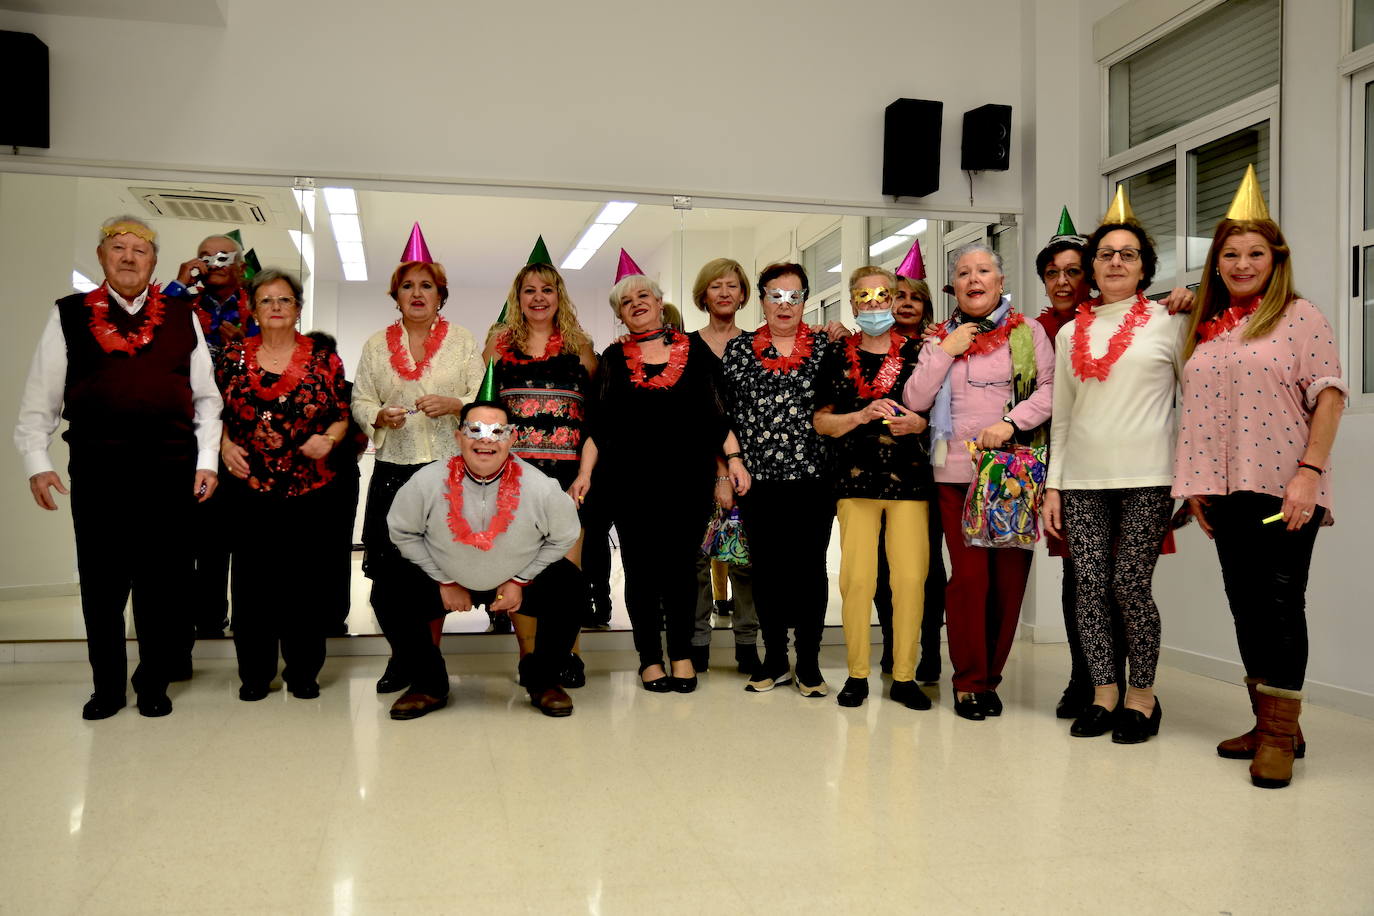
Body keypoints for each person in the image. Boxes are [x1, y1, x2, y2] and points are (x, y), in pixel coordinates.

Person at [1174, 167, 1346, 788]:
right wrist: (1195, 484)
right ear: (1216, 264)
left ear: (1276, 260)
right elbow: (1199, 409)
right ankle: (1272, 720)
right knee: (1245, 607)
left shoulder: (1299, 317)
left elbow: (1329, 397)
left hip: (1284, 487)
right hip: (1223, 491)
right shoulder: (1211, 330)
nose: (1243, 263)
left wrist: (1309, 475)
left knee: (1278, 606)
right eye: (1230, 254)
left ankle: (1277, 738)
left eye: (1255, 253)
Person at [15, 215, 222, 719]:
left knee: (161, 585)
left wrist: (208, 460)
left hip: (169, 469)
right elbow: (40, 398)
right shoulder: (68, 314)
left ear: (154, 262)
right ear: (102, 256)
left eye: (140, 250)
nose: (129, 257)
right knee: (101, 586)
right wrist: (36, 461)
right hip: (98, 469)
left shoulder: (181, 313)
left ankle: (153, 681)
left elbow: (207, 399)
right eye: (118, 248)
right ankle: (106, 686)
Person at [1041, 190, 1187, 744]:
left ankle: (1142, 698)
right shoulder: (1068, 332)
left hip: (1148, 477)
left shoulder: (1169, 322)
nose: (1116, 262)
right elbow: (1062, 417)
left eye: (1128, 254)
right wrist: (1054, 486)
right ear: (1092, 268)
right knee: (1089, 587)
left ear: (1145, 266)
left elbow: (1193, 400)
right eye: (1106, 254)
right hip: (1081, 479)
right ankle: (1103, 693)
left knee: (1129, 585)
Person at [570, 268, 748, 693]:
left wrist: (733, 461)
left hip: (686, 480)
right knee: (641, 572)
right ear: (621, 315)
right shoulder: (613, 360)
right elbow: (598, 425)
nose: (637, 304)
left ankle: (682, 654)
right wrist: (584, 472)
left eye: (644, 295)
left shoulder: (695, 351)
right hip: (629, 483)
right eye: (627, 302)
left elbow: (716, 414)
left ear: (659, 302)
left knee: (683, 572)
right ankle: (649, 658)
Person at [903, 242, 1054, 720]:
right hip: (955, 474)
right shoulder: (939, 337)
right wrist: (944, 352)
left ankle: (991, 679)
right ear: (955, 286)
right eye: (964, 272)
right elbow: (916, 398)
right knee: (969, 581)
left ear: (1000, 281)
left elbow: (1051, 390)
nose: (974, 278)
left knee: (1009, 583)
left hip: (1012, 473)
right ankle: (968, 681)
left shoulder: (1028, 333)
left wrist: (1012, 423)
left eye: (984, 270)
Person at [386, 400, 583, 718]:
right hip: (446, 579)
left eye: (497, 431)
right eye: (474, 429)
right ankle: (427, 684)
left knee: (570, 585)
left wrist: (521, 579)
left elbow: (565, 534)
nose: (486, 439)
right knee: (390, 586)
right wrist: (444, 579)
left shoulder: (540, 486)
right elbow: (403, 532)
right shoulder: (426, 481)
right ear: (458, 436)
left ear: (512, 437)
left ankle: (543, 681)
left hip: (514, 581)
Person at [352, 224, 484, 693]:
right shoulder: (374, 346)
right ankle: (401, 658)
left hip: (449, 470)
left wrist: (456, 406)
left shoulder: (463, 341)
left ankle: (428, 663)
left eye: (426, 285)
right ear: (396, 295)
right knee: (392, 574)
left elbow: (481, 398)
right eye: (407, 285)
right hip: (394, 471)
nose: (417, 293)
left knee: (434, 570)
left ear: (440, 294)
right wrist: (379, 416)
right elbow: (360, 400)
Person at [217, 270, 350, 700]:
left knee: (306, 584)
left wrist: (328, 438)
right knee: (253, 585)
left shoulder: (324, 358)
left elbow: (342, 415)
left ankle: (303, 673)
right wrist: (222, 446)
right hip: (248, 486)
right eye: (266, 300)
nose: (275, 307)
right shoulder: (232, 356)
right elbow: (210, 412)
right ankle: (255, 674)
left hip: (310, 488)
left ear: (297, 308)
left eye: (285, 300)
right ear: (253, 309)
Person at [814, 265, 933, 709]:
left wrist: (921, 423)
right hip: (854, 482)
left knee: (909, 580)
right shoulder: (835, 355)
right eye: (863, 297)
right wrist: (860, 416)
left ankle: (904, 676)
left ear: (893, 298)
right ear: (852, 302)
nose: (874, 304)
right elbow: (821, 421)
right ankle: (857, 675)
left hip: (911, 481)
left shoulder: (922, 352)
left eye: (882, 295)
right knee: (858, 580)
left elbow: (943, 414)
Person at [722, 263, 834, 697]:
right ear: (762, 300)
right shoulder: (739, 349)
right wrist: (731, 461)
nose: (785, 305)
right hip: (758, 480)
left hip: (814, 478)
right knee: (765, 571)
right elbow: (723, 413)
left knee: (810, 571)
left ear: (806, 299)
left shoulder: (826, 347)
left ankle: (808, 663)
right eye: (775, 295)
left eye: (794, 296)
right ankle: (774, 660)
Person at [484, 262, 598, 686]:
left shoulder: (581, 346)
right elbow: (485, 412)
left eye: (546, 289)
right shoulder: (498, 344)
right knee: (519, 570)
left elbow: (594, 418)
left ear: (559, 296)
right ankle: (530, 657)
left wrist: (584, 473)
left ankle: (569, 655)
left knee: (567, 572)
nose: (537, 298)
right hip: (511, 480)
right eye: (528, 290)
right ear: (518, 298)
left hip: (567, 479)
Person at [165, 234, 253, 643]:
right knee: (194, 534)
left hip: (245, 436)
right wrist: (181, 283)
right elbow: (154, 334)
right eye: (205, 257)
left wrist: (244, 347)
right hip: (190, 434)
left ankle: (240, 622)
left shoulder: (259, 304)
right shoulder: (180, 305)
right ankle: (197, 621)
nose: (214, 262)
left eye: (224, 256)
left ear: (239, 264)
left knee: (240, 536)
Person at [686, 257, 760, 674]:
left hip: (748, 466)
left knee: (745, 560)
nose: (725, 293)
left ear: (743, 294)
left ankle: (747, 642)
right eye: (716, 286)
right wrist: (719, 470)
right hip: (699, 466)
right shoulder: (685, 347)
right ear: (704, 295)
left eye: (732, 286)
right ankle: (697, 643)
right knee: (697, 560)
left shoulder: (754, 346)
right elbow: (697, 415)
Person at [878, 244, 947, 685]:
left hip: (926, 471)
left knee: (927, 567)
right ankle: (889, 643)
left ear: (926, 306)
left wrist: (922, 425)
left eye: (915, 297)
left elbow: (953, 408)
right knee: (885, 566)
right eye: (897, 295)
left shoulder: (941, 348)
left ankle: (928, 649)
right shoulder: (867, 345)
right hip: (878, 472)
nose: (905, 303)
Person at [307, 331, 370, 637]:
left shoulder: (348, 392)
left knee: (332, 550)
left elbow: (360, 438)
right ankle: (329, 619)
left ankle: (331, 618)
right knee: (326, 551)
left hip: (339, 480)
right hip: (307, 483)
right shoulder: (343, 390)